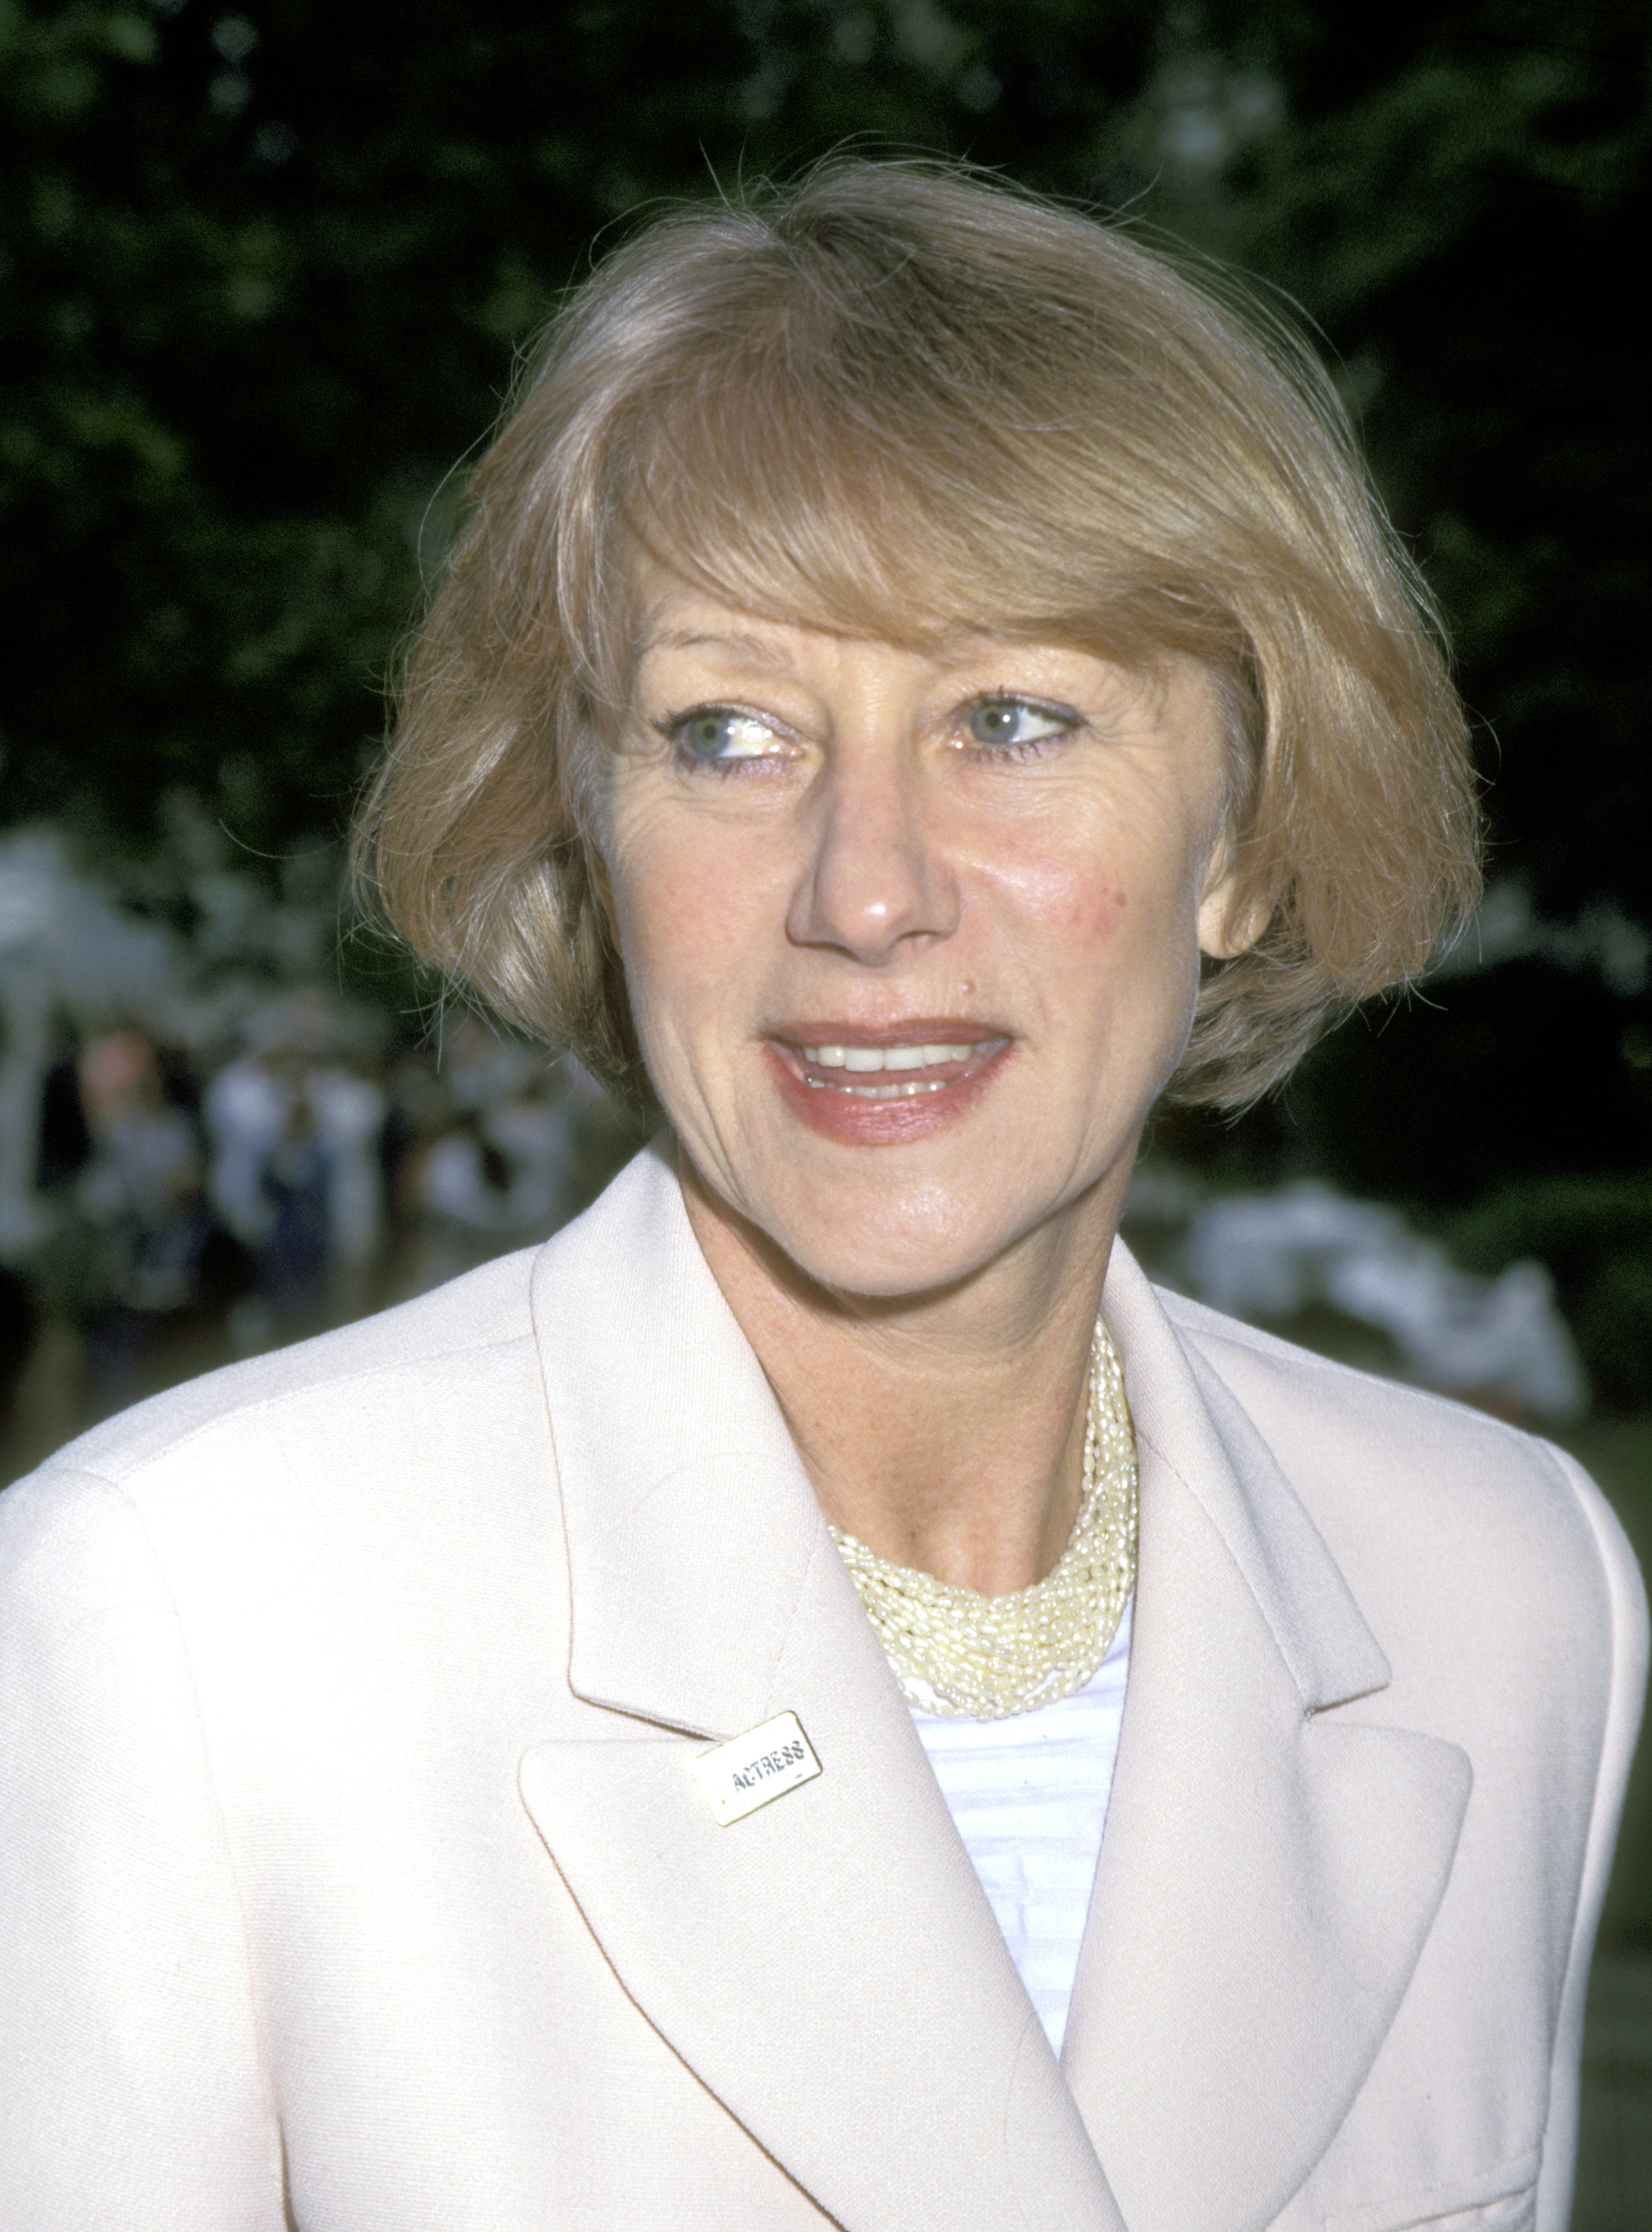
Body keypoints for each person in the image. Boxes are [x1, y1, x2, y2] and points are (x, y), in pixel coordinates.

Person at [0, 160, 1643, 2232]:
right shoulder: (182, 1623)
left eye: (1016, 718)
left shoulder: (1503, 1592)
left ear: (1245, 839)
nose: (867, 891)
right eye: (731, 733)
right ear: (589, 835)